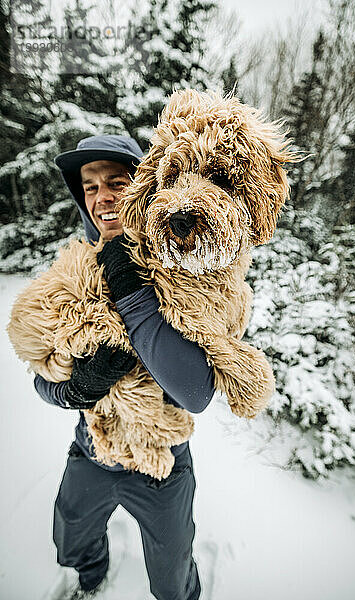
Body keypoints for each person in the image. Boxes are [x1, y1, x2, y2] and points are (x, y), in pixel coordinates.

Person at [33, 135, 215, 600]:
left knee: (171, 576)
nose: (102, 197)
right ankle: (92, 575)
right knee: (69, 539)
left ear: (144, 187)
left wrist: (130, 285)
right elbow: (40, 375)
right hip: (92, 450)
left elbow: (195, 393)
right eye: (90, 187)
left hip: (161, 462)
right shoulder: (72, 273)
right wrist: (77, 390)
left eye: (117, 181)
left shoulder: (183, 267)